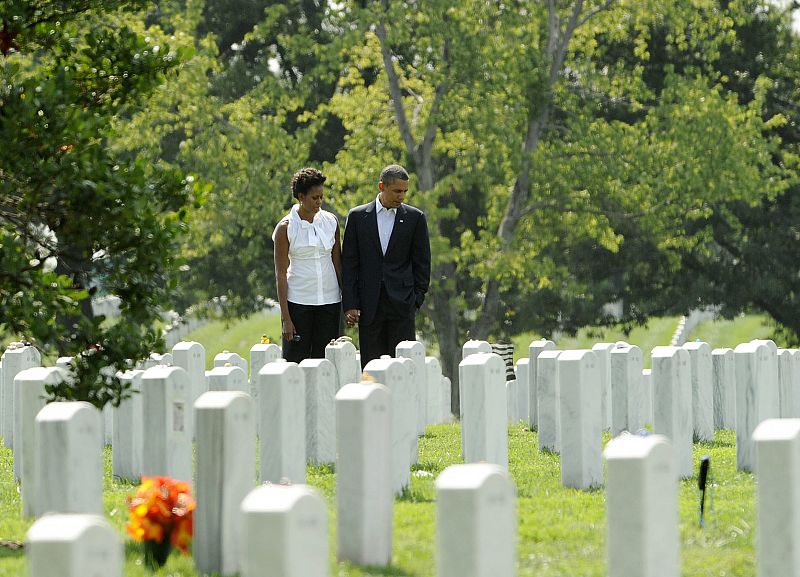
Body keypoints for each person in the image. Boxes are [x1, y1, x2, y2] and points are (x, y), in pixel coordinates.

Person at [342, 164, 431, 368]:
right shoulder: (357, 217)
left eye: (405, 191)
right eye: (397, 191)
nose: (402, 196)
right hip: (369, 306)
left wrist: (416, 300)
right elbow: (349, 264)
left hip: (402, 305)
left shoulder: (415, 218)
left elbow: (422, 263)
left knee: (403, 367)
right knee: (371, 367)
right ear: (382, 186)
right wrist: (350, 303)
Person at [273, 167, 342, 362]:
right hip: (298, 303)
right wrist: (286, 319)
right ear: (301, 197)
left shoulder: (331, 222)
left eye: (321, 197)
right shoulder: (285, 228)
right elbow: (280, 274)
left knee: (326, 362)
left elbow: (338, 264)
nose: (319, 202)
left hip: (330, 302)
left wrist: (348, 303)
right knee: (295, 361)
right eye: (314, 198)